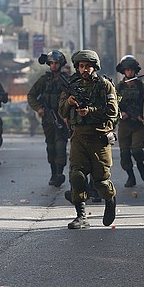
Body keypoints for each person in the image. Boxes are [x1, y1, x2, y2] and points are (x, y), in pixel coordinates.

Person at [58, 50, 118, 230]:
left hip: (98, 137)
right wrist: (69, 102)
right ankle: (81, 215)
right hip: (78, 137)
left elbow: (113, 111)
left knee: (101, 181)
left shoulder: (104, 85)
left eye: (88, 66)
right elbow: (61, 111)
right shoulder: (71, 86)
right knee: (77, 176)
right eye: (81, 66)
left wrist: (90, 110)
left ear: (94, 67)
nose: (84, 70)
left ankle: (110, 199)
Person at [27, 50, 69, 187]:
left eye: (56, 63)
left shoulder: (67, 80)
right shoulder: (44, 80)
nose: (54, 66)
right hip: (48, 119)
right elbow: (31, 95)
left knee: (61, 147)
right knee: (51, 147)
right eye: (51, 63)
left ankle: (59, 174)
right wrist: (39, 108)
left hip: (62, 119)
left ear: (61, 64)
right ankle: (53, 173)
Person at [115, 55, 144, 187]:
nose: (129, 72)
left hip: (138, 125)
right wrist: (120, 113)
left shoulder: (142, 87)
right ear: (123, 71)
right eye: (127, 70)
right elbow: (113, 104)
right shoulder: (119, 88)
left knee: (137, 150)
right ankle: (131, 176)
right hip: (125, 124)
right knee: (124, 153)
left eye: (131, 70)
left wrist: (142, 116)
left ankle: (140, 164)